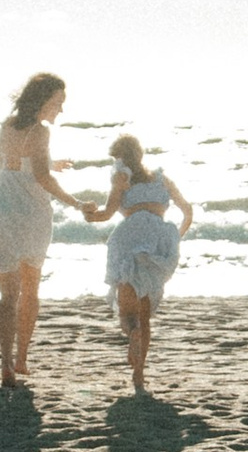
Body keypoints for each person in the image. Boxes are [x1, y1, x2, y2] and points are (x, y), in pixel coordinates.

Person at [0, 72, 87, 387]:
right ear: (42, 99)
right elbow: (41, 179)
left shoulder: (8, 125)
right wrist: (75, 203)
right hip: (26, 211)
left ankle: (6, 365)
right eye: (57, 102)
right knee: (30, 290)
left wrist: (50, 162)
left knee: (8, 295)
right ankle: (21, 359)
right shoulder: (41, 131)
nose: (60, 110)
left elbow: (9, 163)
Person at [83, 133, 195, 392]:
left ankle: (130, 333)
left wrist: (88, 215)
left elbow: (107, 214)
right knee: (145, 312)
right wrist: (174, 238)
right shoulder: (161, 178)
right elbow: (187, 211)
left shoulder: (121, 177)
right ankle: (139, 375)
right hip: (158, 239)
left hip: (130, 237)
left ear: (120, 158)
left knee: (126, 310)